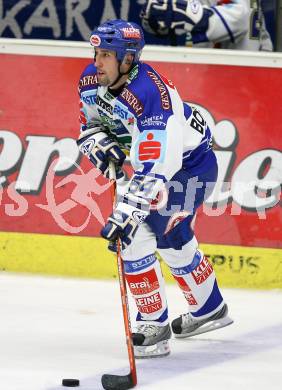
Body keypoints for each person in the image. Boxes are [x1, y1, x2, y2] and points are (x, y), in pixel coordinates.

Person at [76, 19, 233, 359]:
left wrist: (127, 213)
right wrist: (101, 145)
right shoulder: (92, 79)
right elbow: (87, 128)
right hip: (171, 170)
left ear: (128, 59)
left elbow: (154, 171)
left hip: (189, 170)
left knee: (136, 236)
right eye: (97, 52)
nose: (97, 61)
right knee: (172, 240)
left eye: (106, 54)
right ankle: (210, 308)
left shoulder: (151, 98)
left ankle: (154, 325)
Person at [141, 0, 273, 51]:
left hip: (245, 75)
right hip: (211, 76)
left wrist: (190, 16)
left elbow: (240, 19)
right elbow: (160, 16)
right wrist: (155, 19)